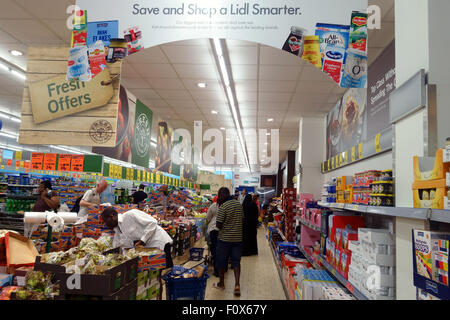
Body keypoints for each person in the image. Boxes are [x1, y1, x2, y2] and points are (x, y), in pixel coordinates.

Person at [101, 207, 174, 268]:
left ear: (112, 216)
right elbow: (120, 244)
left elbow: (152, 223)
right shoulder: (117, 229)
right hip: (149, 249)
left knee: (166, 270)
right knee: (156, 274)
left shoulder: (131, 215)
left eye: (105, 221)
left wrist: (142, 241)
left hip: (158, 242)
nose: (105, 225)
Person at [213, 187, 244, 297]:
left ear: (222, 195)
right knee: (236, 262)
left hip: (224, 239)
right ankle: (237, 284)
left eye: (219, 195)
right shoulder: (238, 204)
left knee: (221, 261)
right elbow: (242, 220)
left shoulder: (223, 206)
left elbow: (218, 225)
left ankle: (221, 283)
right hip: (237, 239)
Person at [206, 196, 219, 277]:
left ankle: (216, 270)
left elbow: (208, 218)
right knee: (222, 250)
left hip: (213, 230)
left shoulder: (213, 206)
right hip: (223, 231)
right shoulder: (227, 206)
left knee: (214, 250)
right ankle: (222, 269)